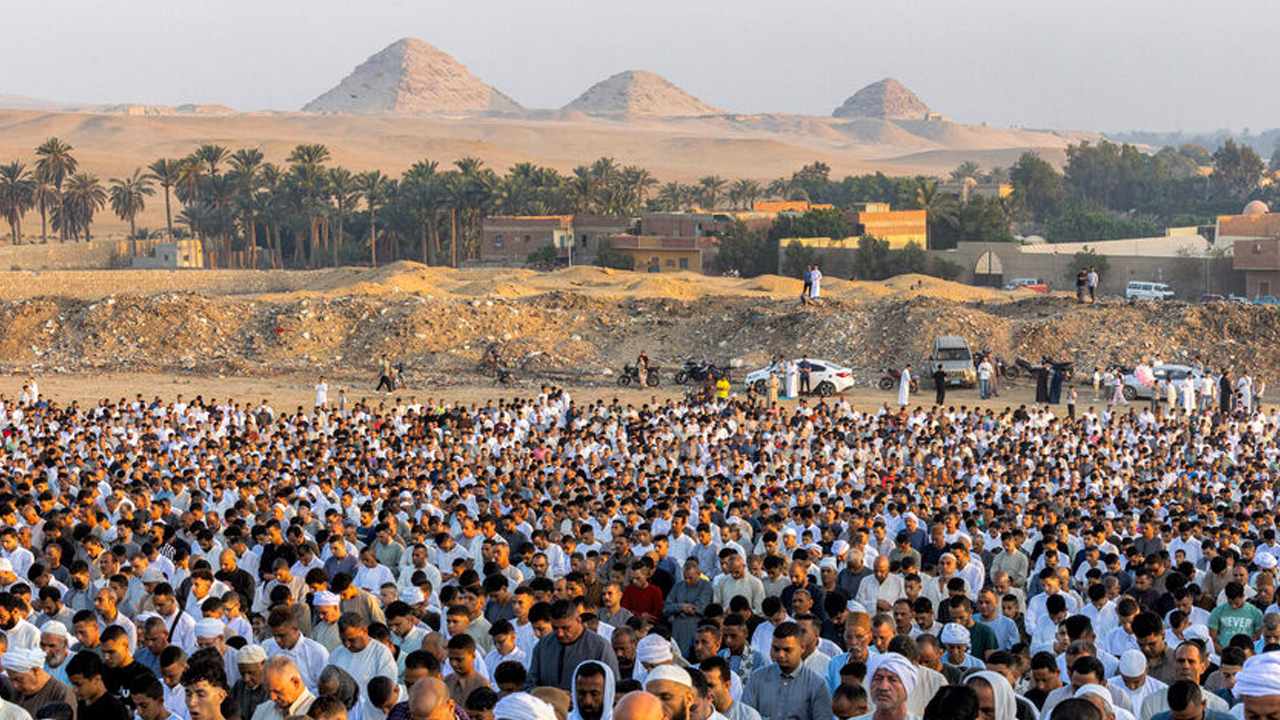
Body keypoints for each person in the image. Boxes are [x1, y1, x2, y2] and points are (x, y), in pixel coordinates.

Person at [742, 623, 830, 720]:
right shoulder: (757, 677)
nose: (780, 655)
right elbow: (744, 715)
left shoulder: (817, 685)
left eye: (787, 650)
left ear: (802, 648)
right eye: (776, 649)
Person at [525, 601, 618, 691]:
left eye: (565, 628)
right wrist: (551, 696)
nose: (560, 633)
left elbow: (613, 688)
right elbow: (529, 686)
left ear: (578, 620)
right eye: (555, 628)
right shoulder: (542, 646)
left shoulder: (600, 647)